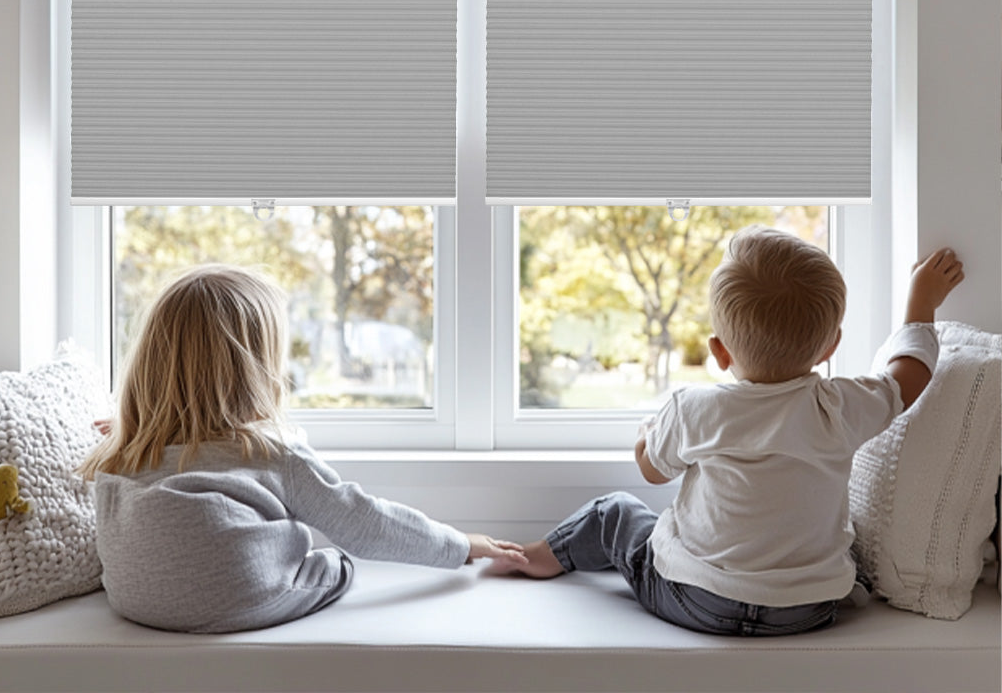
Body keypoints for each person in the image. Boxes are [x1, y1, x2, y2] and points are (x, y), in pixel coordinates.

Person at [490, 227, 965, 637]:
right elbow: (910, 376)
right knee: (842, 539)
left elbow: (651, 470)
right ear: (830, 347)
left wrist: (648, 431)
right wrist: (920, 301)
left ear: (718, 352)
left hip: (697, 602)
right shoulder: (838, 407)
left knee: (614, 512)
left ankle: (539, 556)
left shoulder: (696, 409)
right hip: (807, 612)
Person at [80, 264, 526, 633]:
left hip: (138, 603)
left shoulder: (125, 450)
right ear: (254, 371)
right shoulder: (271, 454)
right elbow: (363, 522)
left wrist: (127, 426)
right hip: (243, 600)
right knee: (339, 561)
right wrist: (462, 544)